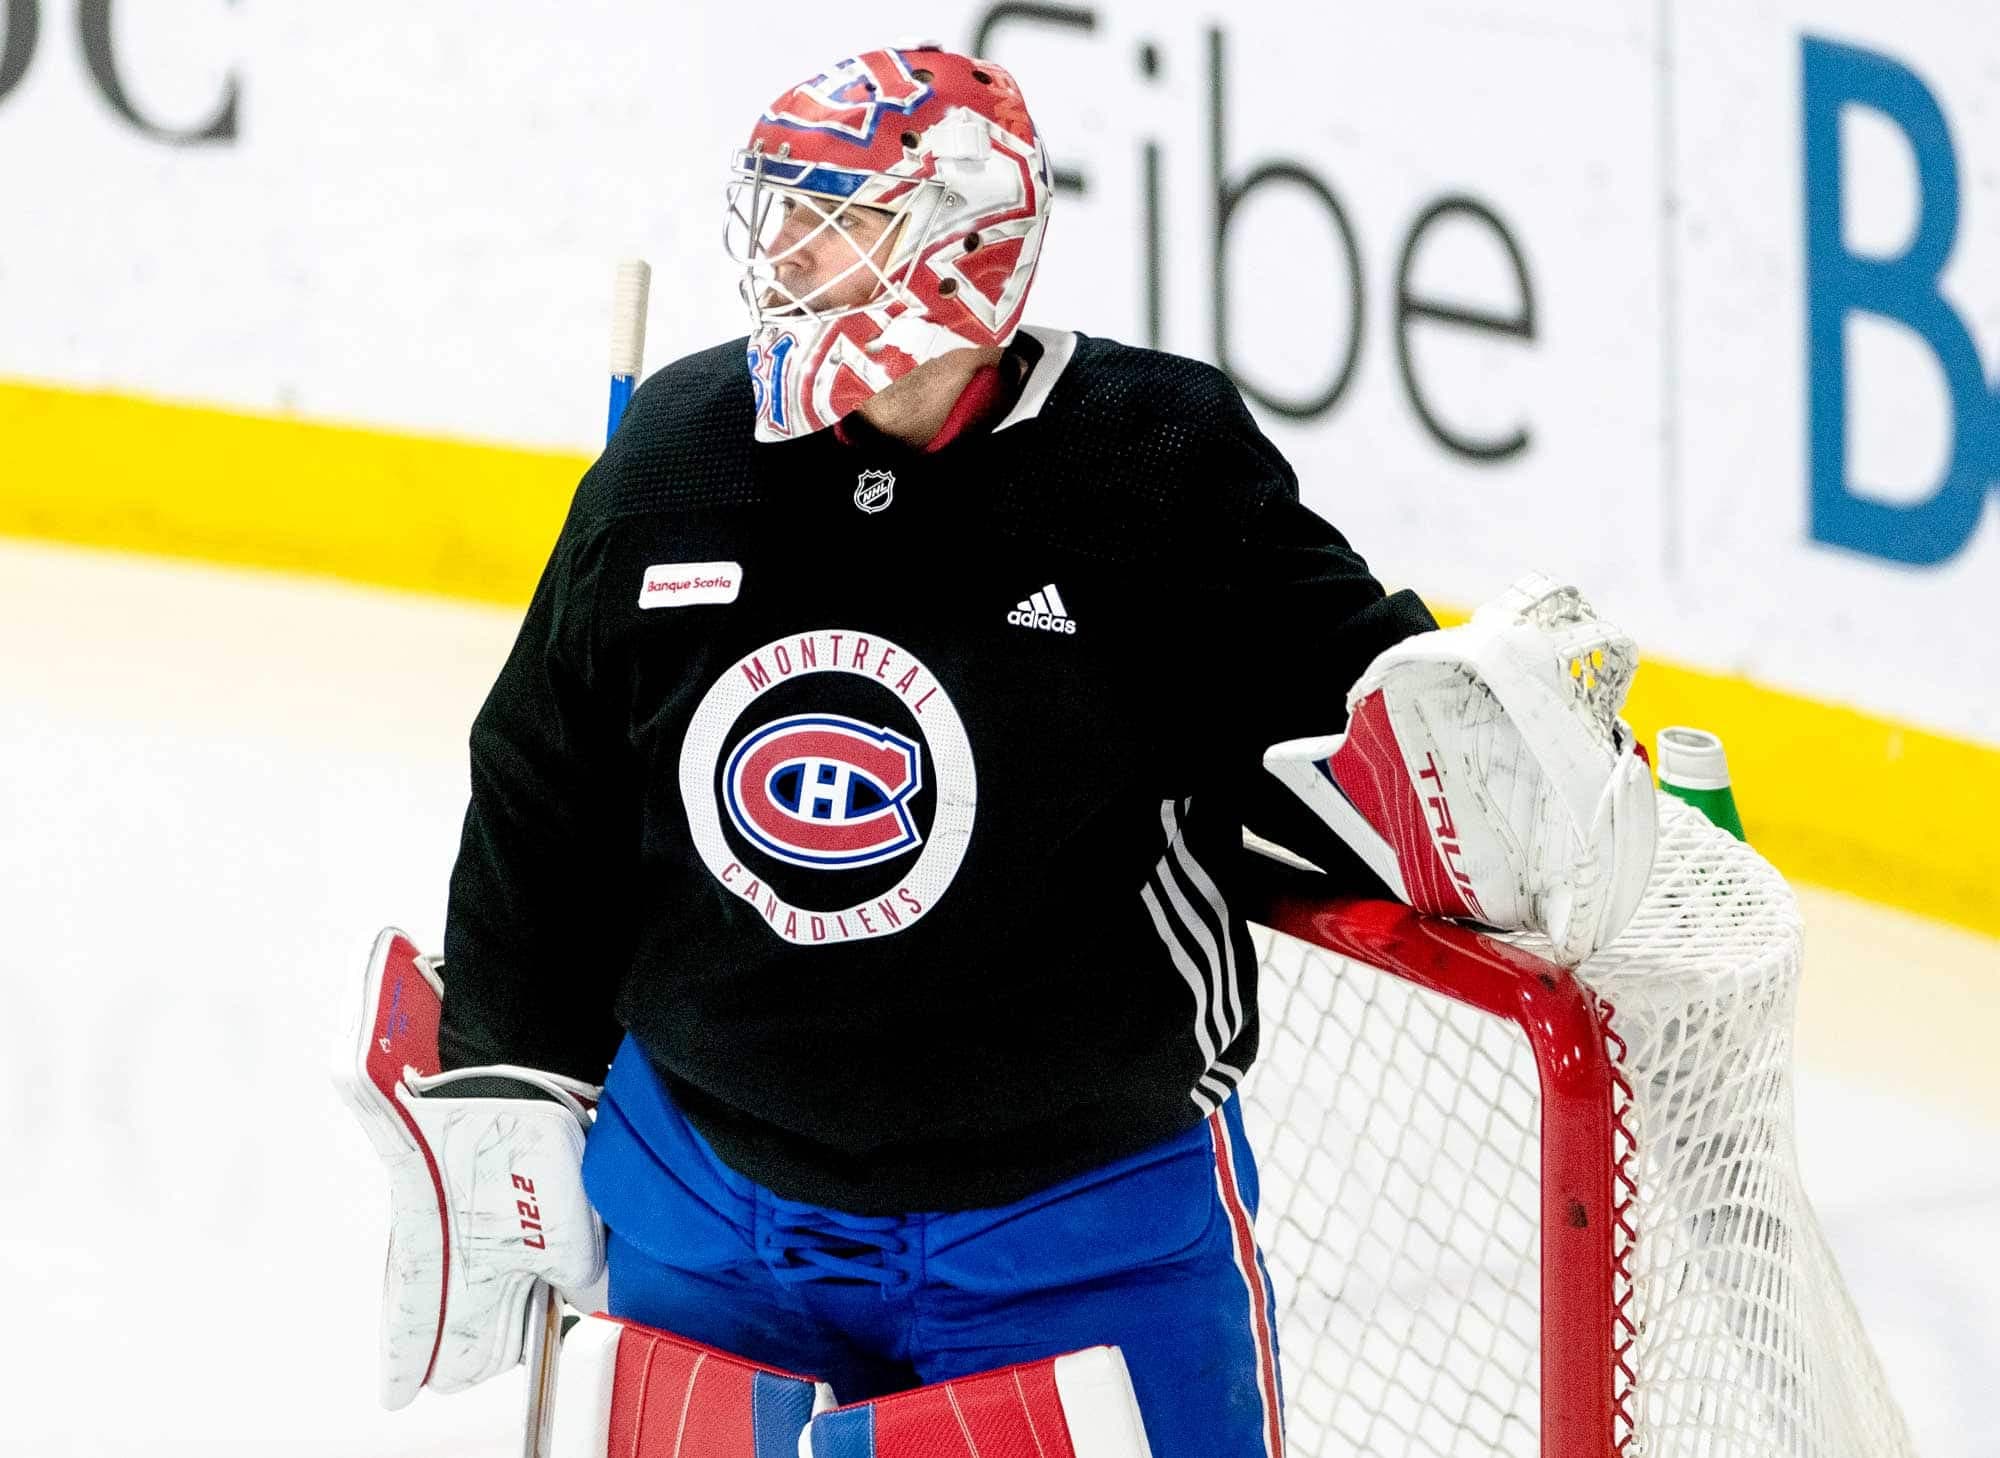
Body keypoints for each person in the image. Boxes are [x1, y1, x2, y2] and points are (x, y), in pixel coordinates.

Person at [354, 41, 1651, 1458]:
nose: (785, 250)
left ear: (967, 248)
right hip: (709, 1204)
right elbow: (545, 781)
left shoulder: (1153, 459)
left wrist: (1483, 753)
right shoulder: (681, 449)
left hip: (1074, 1233)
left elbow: (1363, 722)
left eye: (836, 220)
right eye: (781, 211)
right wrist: (507, 1068)